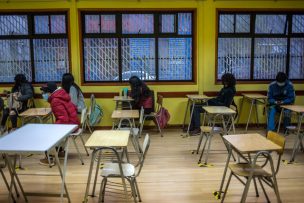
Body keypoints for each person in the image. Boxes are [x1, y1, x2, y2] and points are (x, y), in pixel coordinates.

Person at [39, 82, 80, 166]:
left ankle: (49, 158)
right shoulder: (62, 96)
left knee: (47, 134)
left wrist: (53, 128)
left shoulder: (55, 100)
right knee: (53, 130)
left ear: (49, 92)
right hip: (74, 123)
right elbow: (73, 109)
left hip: (69, 126)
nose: (43, 95)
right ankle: (60, 151)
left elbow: (63, 119)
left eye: (44, 93)